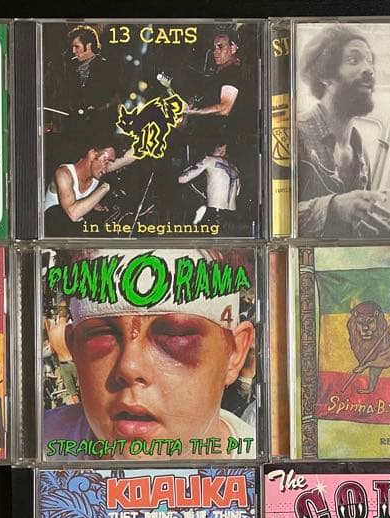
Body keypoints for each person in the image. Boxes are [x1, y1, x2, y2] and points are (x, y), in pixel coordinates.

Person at [43, 253, 256, 461]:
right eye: (103, 334)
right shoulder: (36, 445)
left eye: (175, 336)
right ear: (74, 348)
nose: (129, 367)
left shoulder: (265, 471)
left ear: (234, 353)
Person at [296, 25, 390, 238]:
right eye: (354, 60)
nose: (369, 69)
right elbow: (274, 217)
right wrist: (333, 208)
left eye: (369, 61)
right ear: (325, 75)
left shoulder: (361, 154)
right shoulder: (294, 135)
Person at [43, 140, 138, 232]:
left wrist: (145, 143)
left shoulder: (98, 170)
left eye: (110, 163)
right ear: (92, 155)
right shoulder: (64, 173)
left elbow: (127, 158)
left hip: (76, 228)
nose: (107, 168)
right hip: (52, 227)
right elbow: (73, 214)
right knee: (56, 213)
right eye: (106, 161)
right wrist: (104, 187)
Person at [177, 142, 240, 226]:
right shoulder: (235, 168)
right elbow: (238, 193)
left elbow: (182, 179)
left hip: (215, 213)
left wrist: (190, 166)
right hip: (233, 215)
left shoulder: (208, 160)